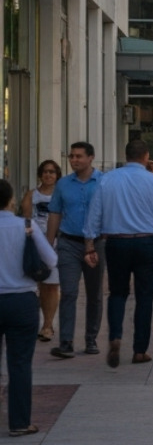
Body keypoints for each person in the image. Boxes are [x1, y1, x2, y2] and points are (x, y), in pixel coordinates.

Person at [83, 140, 153, 367]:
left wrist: (89, 244)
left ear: (125, 156)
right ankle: (140, 350)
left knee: (117, 293)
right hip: (146, 243)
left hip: (116, 243)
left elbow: (94, 214)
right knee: (145, 297)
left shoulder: (107, 179)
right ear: (146, 156)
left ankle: (116, 336)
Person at [0, 179, 58, 437]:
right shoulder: (26, 225)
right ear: (11, 200)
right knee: (20, 363)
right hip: (21, 299)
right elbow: (52, 259)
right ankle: (19, 422)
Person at [46, 142, 103, 359]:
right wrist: (47, 246)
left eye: (79, 156)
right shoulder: (63, 184)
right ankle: (66, 342)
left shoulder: (103, 182)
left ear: (91, 158)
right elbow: (54, 214)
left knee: (94, 293)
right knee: (69, 292)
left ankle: (91, 339)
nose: (74, 160)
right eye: (71, 156)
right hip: (69, 242)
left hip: (97, 243)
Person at [20, 160, 60, 343]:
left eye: (52, 172)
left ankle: (48, 325)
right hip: (35, 244)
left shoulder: (61, 195)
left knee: (51, 286)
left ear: (57, 175)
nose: (48, 175)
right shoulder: (31, 195)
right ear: (40, 174)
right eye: (45, 172)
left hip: (56, 244)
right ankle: (31, 324)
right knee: (35, 286)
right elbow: (25, 220)